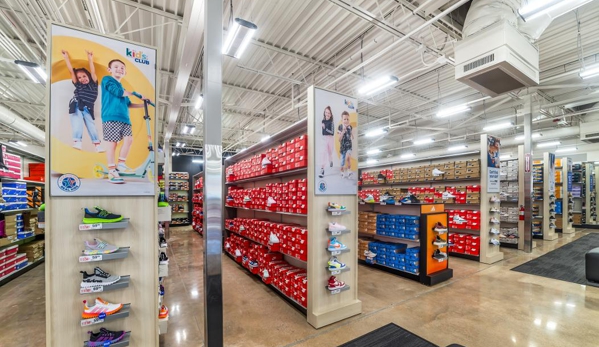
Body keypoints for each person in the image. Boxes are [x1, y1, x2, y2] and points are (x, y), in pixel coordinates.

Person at [100, 59, 150, 184]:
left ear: (125, 73)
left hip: (125, 119)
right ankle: (112, 169)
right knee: (112, 143)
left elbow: (129, 104)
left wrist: (144, 105)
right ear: (109, 69)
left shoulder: (123, 88)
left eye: (122, 68)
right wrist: (135, 93)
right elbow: (117, 92)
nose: (119, 69)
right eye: (116, 67)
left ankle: (121, 164)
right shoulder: (107, 80)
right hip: (111, 116)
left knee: (129, 139)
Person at [62, 49, 104, 152]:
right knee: (77, 123)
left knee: (92, 126)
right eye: (79, 77)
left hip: (88, 107)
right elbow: (71, 71)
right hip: (76, 104)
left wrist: (90, 59)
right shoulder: (78, 85)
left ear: (88, 76)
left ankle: (97, 145)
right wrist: (66, 58)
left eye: (84, 76)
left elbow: (93, 71)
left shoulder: (94, 83)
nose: (82, 79)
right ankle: (77, 142)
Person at [318, 106, 334, 178]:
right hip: (324, 138)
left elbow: (332, 132)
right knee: (323, 153)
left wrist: (325, 128)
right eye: (326, 112)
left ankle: (331, 161)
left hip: (330, 138)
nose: (327, 114)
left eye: (328, 113)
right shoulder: (323, 121)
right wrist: (323, 128)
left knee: (329, 153)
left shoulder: (331, 123)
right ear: (324, 113)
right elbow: (323, 132)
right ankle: (322, 169)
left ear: (330, 114)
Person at [337, 111, 354, 179]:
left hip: (349, 146)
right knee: (342, 163)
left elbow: (352, 137)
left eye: (347, 119)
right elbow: (339, 139)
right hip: (342, 147)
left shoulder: (350, 127)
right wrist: (343, 131)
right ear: (342, 120)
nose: (346, 120)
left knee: (348, 158)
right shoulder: (340, 127)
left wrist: (351, 133)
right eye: (345, 119)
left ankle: (349, 171)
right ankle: (342, 172)